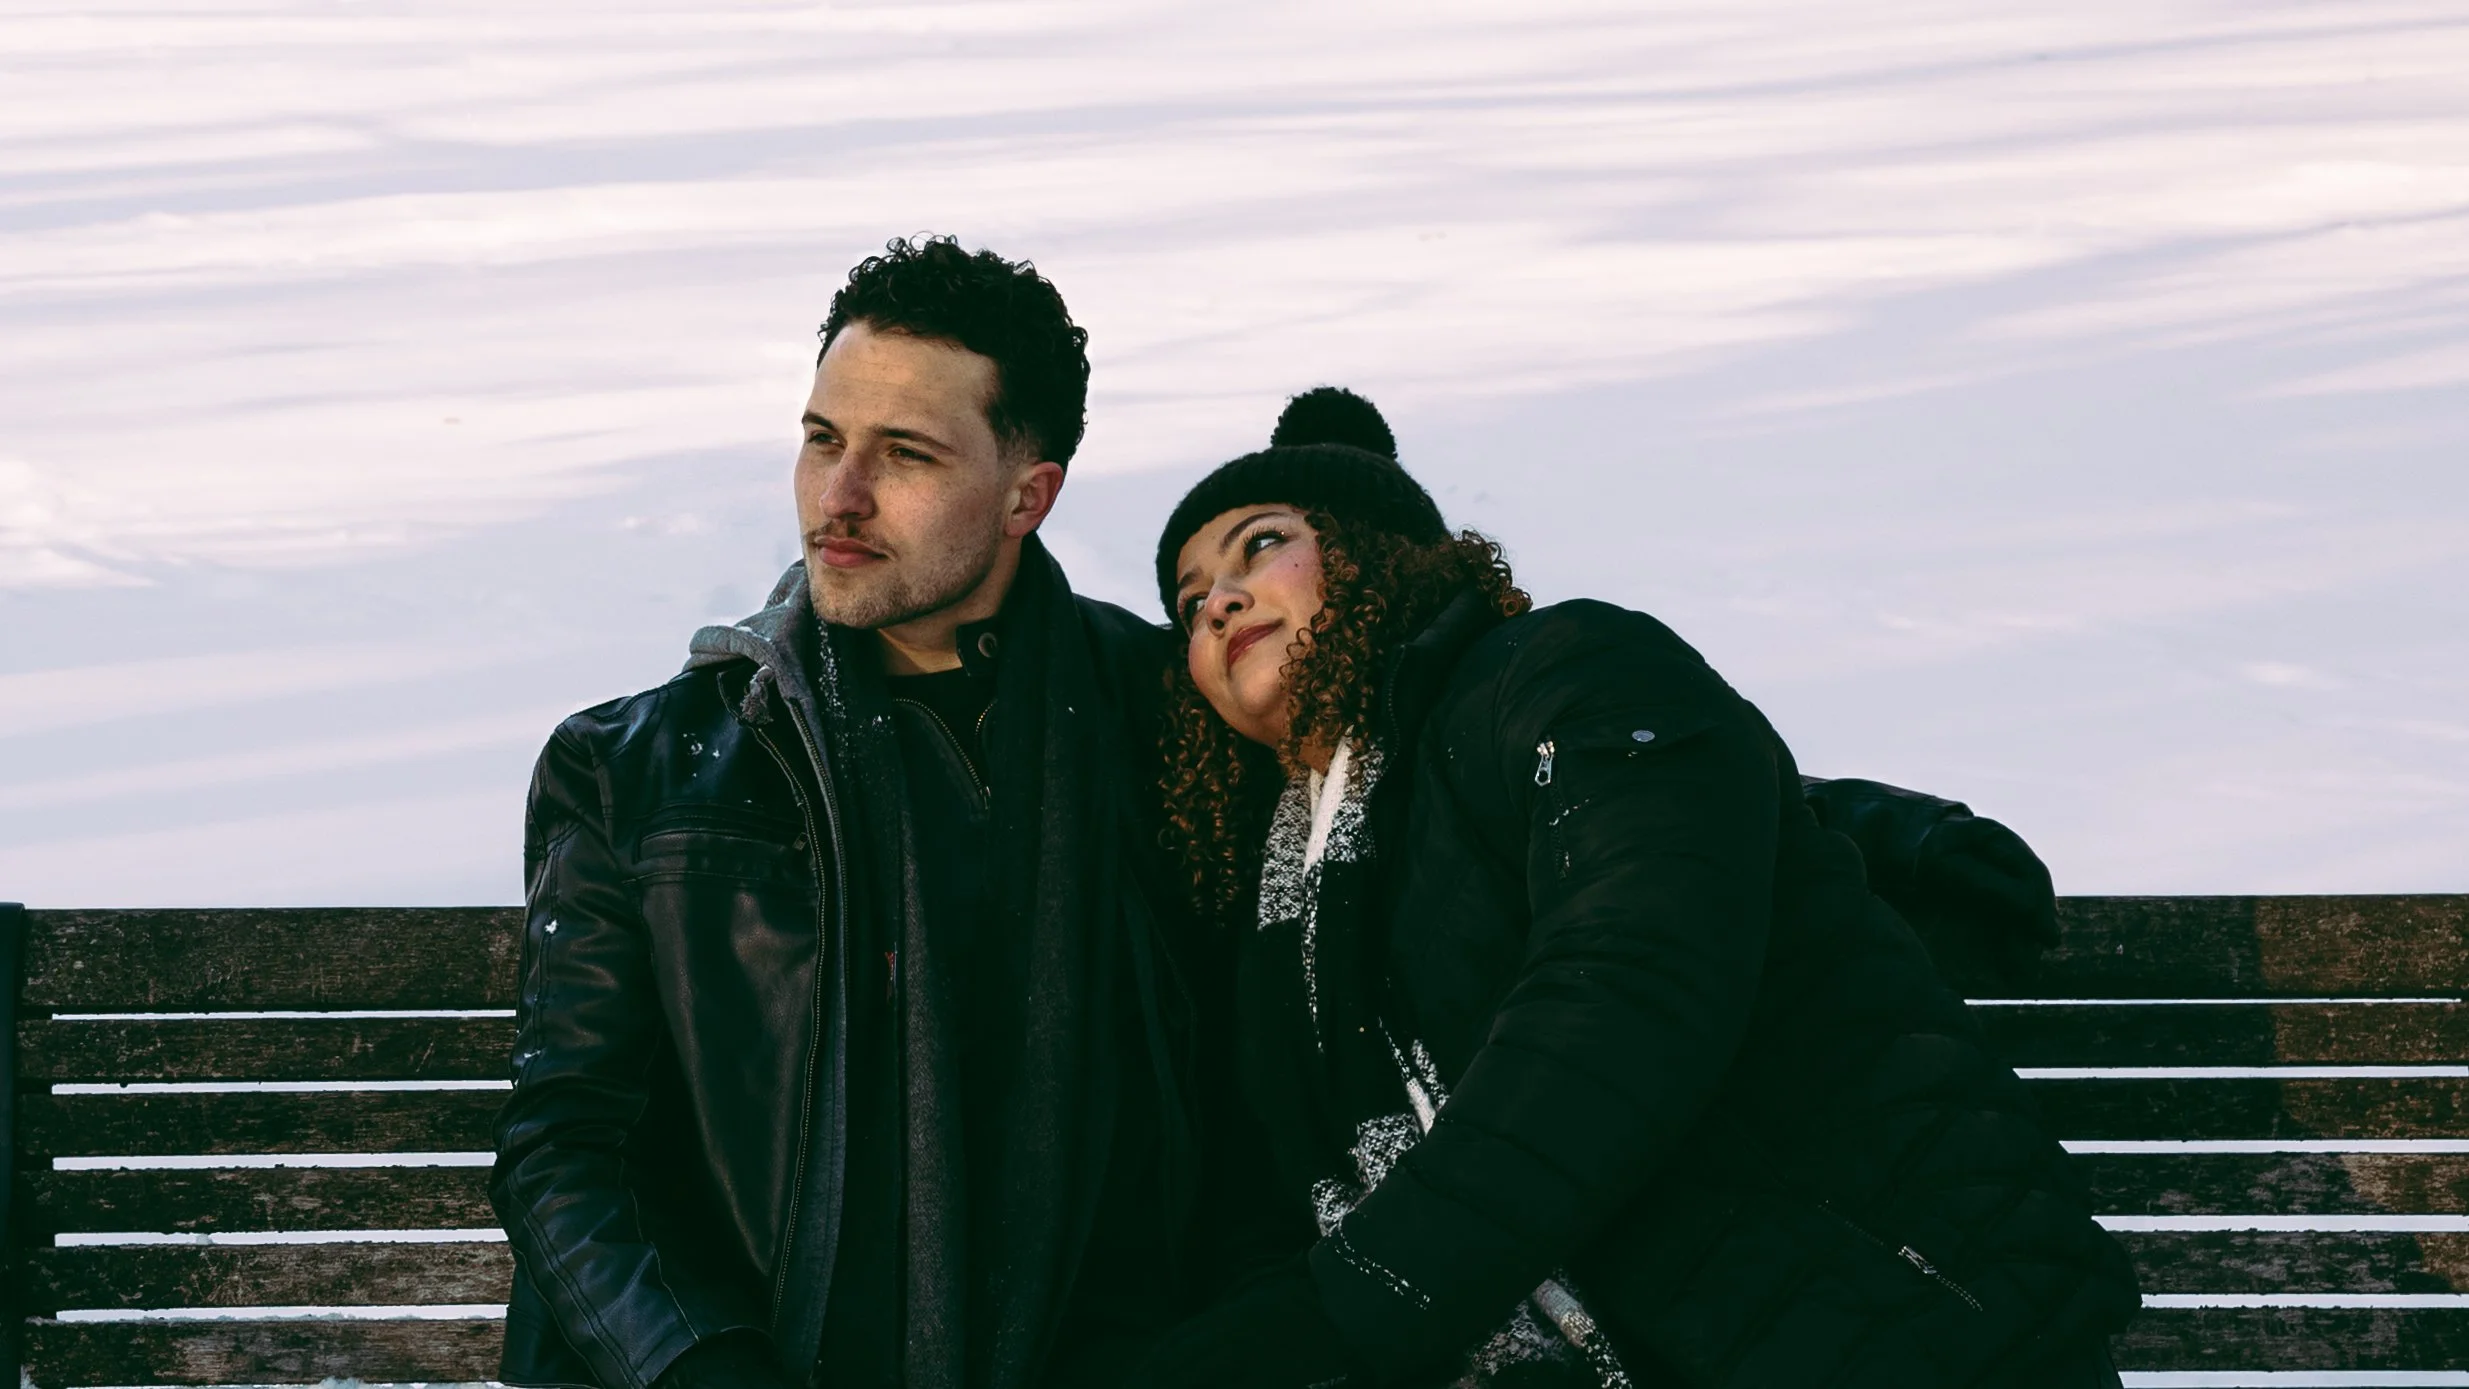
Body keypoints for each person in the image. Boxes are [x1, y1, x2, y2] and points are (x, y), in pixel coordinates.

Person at [1134, 388, 2141, 1387]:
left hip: (1895, 1328)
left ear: (1379, 549)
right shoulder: (1285, 910)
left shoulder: (1564, 666)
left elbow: (1629, 982)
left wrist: (1358, 1296)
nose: (1218, 601)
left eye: (1261, 544)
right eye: (1188, 601)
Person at [491, 236, 1201, 1389]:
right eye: (822, 439)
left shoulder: (1165, 729)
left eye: (905, 455)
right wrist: (700, 1369)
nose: (840, 497)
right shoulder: (640, 767)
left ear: (1029, 493)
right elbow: (568, 1149)